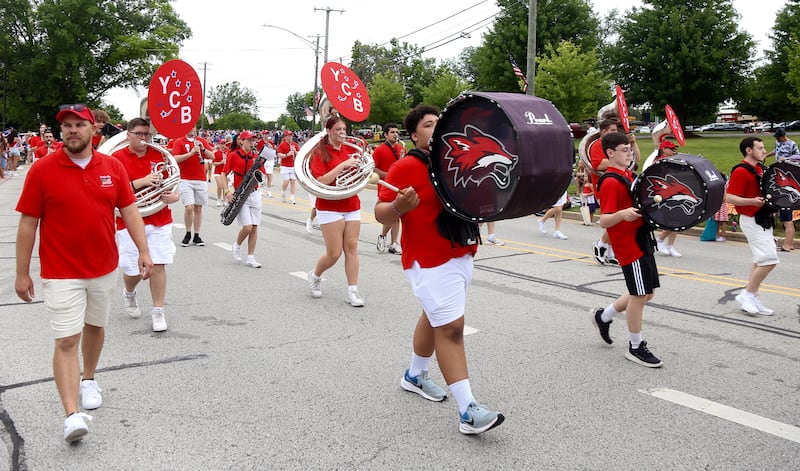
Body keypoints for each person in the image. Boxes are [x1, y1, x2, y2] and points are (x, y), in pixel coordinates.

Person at [15, 104, 153, 443]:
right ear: (61, 132)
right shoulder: (43, 169)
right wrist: (22, 273)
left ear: (94, 130)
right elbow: (28, 223)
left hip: (104, 266)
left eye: (80, 125)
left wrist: (144, 251)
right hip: (61, 270)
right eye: (67, 126)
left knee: (95, 327)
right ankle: (72, 414)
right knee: (65, 339)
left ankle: (89, 377)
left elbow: (130, 210)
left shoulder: (113, 166)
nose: (72, 130)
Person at [375, 104, 504, 434]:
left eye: (440, 124)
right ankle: (468, 411)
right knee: (451, 328)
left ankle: (415, 375)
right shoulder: (404, 166)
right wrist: (397, 207)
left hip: (460, 250)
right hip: (428, 259)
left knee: (434, 316)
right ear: (414, 134)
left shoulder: (454, 160)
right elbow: (380, 213)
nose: (436, 129)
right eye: (429, 125)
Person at [590, 131, 662, 368]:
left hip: (641, 239)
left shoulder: (627, 175)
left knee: (646, 292)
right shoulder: (611, 181)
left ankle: (604, 316)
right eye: (625, 149)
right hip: (628, 245)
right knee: (640, 295)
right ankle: (635, 346)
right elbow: (604, 221)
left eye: (630, 148)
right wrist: (622, 214)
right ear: (610, 153)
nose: (629, 152)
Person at [112, 118, 179, 332]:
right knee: (133, 271)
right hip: (129, 221)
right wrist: (141, 182)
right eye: (139, 134)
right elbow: (111, 191)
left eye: (147, 134)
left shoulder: (160, 155)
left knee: (158, 265)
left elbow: (174, 181)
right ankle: (129, 292)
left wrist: (174, 196)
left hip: (159, 217)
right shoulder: (116, 158)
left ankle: (158, 311)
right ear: (128, 135)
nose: (144, 138)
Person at [306, 117, 365, 306]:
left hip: (351, 204)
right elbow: (321, 180)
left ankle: (352, 291)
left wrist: (361, 168)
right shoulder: (319, 152)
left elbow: (358, 176)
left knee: (352, 247)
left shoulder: (351, 150)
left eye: (344, 129)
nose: (342, 132)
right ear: (329, 131)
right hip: (329, 206)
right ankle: (315, 276)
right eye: (338, 129)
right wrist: (342, 166)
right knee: (334, 253)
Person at [726, 137, 779, 316]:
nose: (764, 151)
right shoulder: (741, 171)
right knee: (770, 259)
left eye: (763, 148)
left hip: (763, 218)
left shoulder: (760, 169)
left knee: (759, 260)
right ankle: (747, 294)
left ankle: (752, 296)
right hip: (751, 218)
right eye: (760, 148)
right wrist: (751, 201)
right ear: (749, 150)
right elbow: (729, 197)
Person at [223, 131, 265, 268]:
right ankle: (237, 245)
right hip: (241, 194)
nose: (252, 143)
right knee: (247, 228)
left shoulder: (256, 157)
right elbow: (223, 174)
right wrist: (227, 191)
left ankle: (251, 257)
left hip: (255, 193)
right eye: (249, 140)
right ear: (241, 141)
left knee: (254, 228)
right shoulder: (233, 156)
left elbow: (262, 174)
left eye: (253, 141)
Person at [172, 127, 215, 246]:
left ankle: (197, 235)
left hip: (200, 178)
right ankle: (188, 232)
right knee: (189, 207)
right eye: (190, 127)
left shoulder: (201, 140)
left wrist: (203, 148)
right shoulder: (179, 141)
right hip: (185, 179)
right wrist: (191, 153)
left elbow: (212, 156)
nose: (192, 129)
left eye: (194, 127)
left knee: (198, 207)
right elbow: (175, 158)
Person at [588, 119, 622, 265]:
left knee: (618, 222)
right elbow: (598, 164)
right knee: (614, 222)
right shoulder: (598, 145)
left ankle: (610, 252)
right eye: (612, 130)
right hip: (604, 187)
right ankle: (601, 245)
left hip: (619, 185)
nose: (616, 132)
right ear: (603, 131)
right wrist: (618, 159)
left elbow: (635, 159)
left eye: (616, 130)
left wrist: (631, 145)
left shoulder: (617, 145)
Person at [372, 123, 405, 254]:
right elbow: (373, 168)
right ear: (385, 135)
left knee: (397, 214)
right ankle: (383, 236)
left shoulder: (401, 149)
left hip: (398, 186)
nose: (396, 134)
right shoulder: (380, 150)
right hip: (385, 186)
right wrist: (388, 175)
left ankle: (393, 243)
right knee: (391, 215)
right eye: (392, 132)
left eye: (397, 132)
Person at [766, 128, 799, 251]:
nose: (777, 139)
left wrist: (786, 160)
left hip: (786, 173)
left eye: (778, 137)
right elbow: (776, 151)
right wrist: (766, 155)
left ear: (783, 135)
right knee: (787, 218)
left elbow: (798, 156)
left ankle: (787, 245)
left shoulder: (792, 144)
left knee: (787, 219)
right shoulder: (778, 143)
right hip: (778, 172)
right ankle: (789, 244)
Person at [653, 140, 683, 257]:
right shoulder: (659, 161)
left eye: (674, 149)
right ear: (664, 149)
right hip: (663, 194)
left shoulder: (671, 160)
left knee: (678, 219)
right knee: (674, 219)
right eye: (671, 149)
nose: (674, 151)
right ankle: (660, 240)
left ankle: (670, 246)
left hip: (673, 192)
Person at [277, 130, 299, 204]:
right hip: (285, 166)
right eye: (289, 136)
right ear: (286, 137)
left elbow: (299, 154)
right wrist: (287, 154)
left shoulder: (295, 144)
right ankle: (283, 192)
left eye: (291, 135)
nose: (290, 137)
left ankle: (292, 197)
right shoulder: (282, 145)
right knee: (286, 182)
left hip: (293, 166)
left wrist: (295, 151)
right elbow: (279, 155)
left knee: (293, 182)